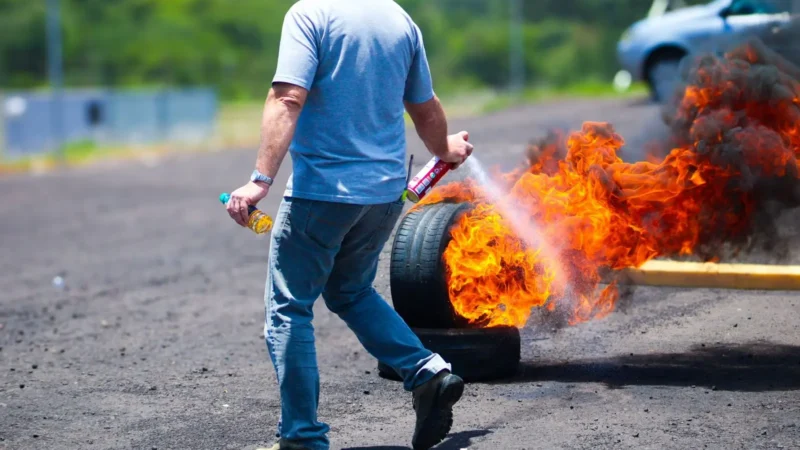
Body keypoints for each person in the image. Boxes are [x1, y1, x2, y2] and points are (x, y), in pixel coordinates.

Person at [225, 0, 473, 449]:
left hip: (323, 194)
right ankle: (427, 372)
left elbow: (287, 98)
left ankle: (302, 437)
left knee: (289, 308)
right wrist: (445, 148)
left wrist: (260, 181)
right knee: (350, 290)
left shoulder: (309, 14)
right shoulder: (399, 19)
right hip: (383, 195)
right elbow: (424, 106)